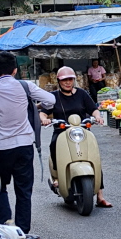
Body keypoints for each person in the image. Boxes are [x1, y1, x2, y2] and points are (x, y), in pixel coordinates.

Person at [0, 50, 55, 232]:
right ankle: (22, 230)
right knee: (23, 190)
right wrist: (36, 106)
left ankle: (6, 223)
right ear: (15, 70)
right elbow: (50, 100)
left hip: (0, 149)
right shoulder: (25, 86)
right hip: (24, 146)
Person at [40, 66, 112, 208]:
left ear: (74, 80)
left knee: (93, 157)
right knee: (53, 145)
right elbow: (43, 112)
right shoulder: (53, 96)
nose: (67, 82)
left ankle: (100, 196)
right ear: (59, 81)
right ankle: (57, 177)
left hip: (82, 131)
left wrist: (98, 117)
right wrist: (44, 119)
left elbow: (93, 109)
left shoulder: (82, 94)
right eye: (64, 80)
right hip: (62, 131)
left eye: (70, 79)